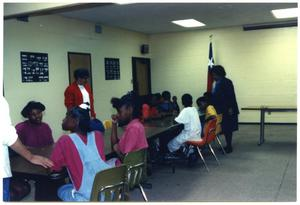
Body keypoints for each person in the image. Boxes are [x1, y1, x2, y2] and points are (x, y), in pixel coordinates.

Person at [50, 107, 112, 201]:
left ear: (76, 121)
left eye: (67, 116)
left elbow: (54, 167)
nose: (63, 119)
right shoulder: (98, 135)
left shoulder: (65, 140)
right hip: (108, 192)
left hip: (87, 198)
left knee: (61, 189)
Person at [1, 96, 53, 201]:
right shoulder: (21, 127)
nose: (37, 116)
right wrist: (31, 155)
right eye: (33, 114)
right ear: (28, 116)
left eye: (39, 113)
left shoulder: (45, 127)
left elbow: (50, 144)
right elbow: (12, 144)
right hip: (25, 164)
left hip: (41, 162)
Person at [110, 91, 148, 161]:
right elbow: (114, 144)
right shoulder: (136, 125)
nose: (117, 115)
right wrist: (114, 123)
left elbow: (127, 159)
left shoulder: (133, 129)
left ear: (130, 109)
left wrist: (117, 151)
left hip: (130, 170)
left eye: (120, 112)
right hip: (136, 168)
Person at [211, 65, 239, 153]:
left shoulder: (224, 82)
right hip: (224, 109)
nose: (213, 77)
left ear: (217, 74)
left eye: (213, 75)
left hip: (227, 110)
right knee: (226, 128)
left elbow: (230, 96)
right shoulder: (222, 82)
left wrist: (230, 108)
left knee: (228, 129)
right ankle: (228, 145)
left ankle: (229, 147)